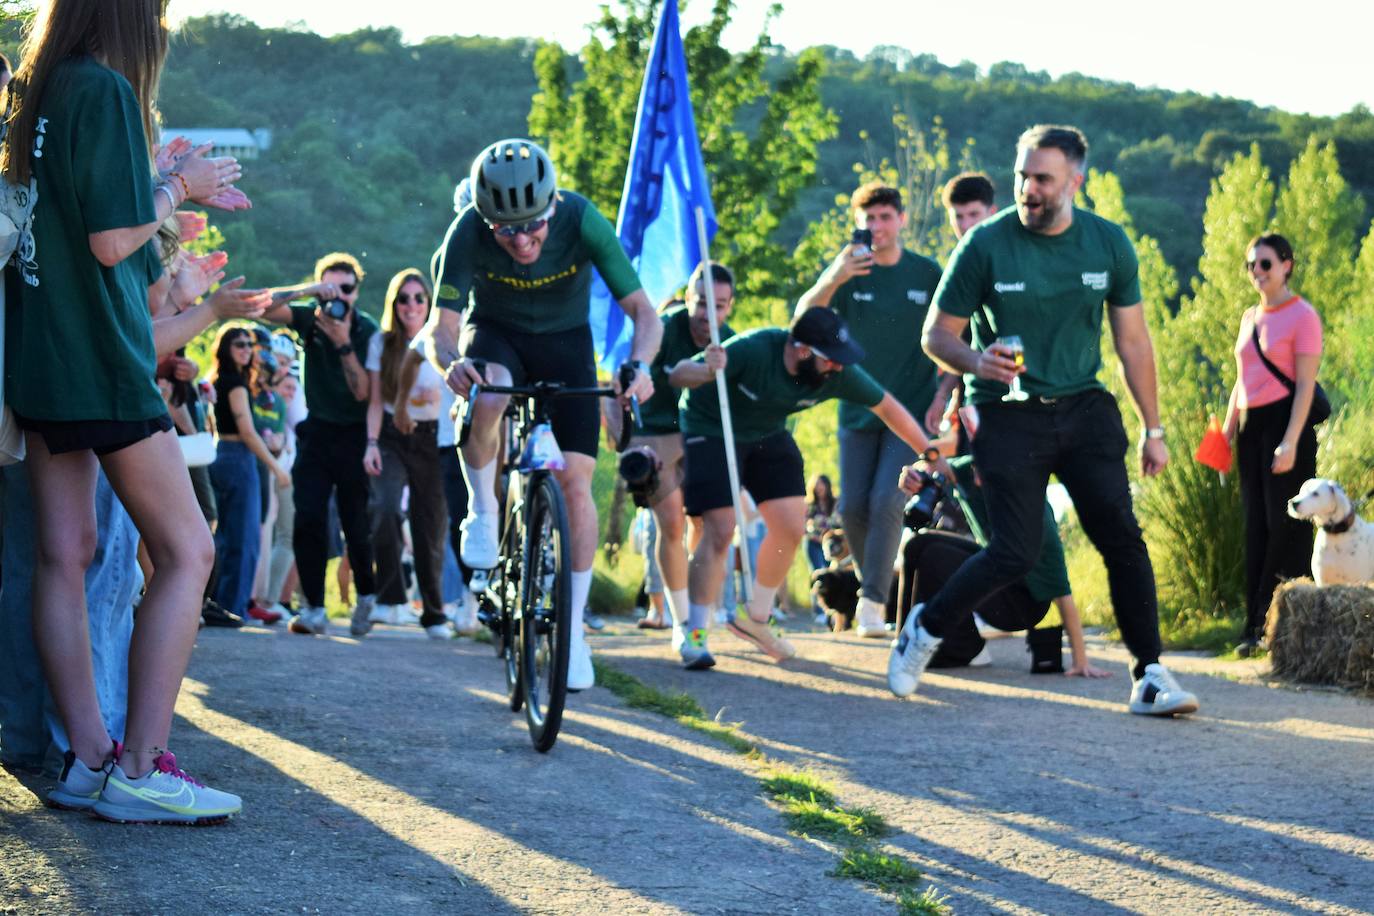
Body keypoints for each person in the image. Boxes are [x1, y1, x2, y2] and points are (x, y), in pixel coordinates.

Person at [1, 0, 247, 822]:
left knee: (61, 557)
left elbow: (69, 220)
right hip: (103, 362)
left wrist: (153, 181)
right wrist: (183, 186)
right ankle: (141, 766)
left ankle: (88, 758)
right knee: (190, 551)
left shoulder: (39, 88)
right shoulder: (104, 89)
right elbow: (111, 241)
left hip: (41, 356)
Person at [889, 124, 1198, 717]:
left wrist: (1153, 430)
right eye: (1022, 176)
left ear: (1074, 181)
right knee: (1014, 552)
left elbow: (1133, 343)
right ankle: (925, 625)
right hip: (1005, 412)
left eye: (1042, 179)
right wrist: (976, 360)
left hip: (1084, 406)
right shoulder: (984, 245)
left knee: (1122, 539)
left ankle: (1150, 674)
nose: (1028, 189)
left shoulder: (1108, 245)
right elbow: (936, 334)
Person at [425, 138, 659, 690]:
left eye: (534, 226)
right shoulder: (467, 230)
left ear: (553, 207)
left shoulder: (581, 218)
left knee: (577, 485)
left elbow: (645, 314)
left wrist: (640, 366)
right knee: (490, 393)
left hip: (566, 342)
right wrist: (453, 363)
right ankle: (482, 510)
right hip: (498, 336)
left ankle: (574, 633)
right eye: (507, 231)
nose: (523, 240)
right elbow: (442, 328)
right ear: (487, 222)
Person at [673, 307, 941, 667]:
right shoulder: (752, 350)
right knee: (720, 530)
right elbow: (678, 375)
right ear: (802, 351)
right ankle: (694, 635)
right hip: (711, 427)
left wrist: (930, 452)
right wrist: (707, 368)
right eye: (831, 361)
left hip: (767, 432)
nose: (839, 368)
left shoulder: (836, 373)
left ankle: (755, 618)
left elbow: (889, 408)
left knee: (791, 527)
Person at [798, 183, 944, 638]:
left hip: (910, 411)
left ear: (901, 219)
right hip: (856, 409)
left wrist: (944, 393)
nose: (876, 228)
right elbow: (803, 320)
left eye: (884, 217)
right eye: (868, 220)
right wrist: (834, 276)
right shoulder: (848, 274)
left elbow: (955, 331)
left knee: (887, 501)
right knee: (854, 507)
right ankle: (877, 585)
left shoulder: (926, 273)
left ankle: (873, 603)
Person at [897, 454, 1110, 677]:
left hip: (1022, 604)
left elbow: (1062, 593)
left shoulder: (1036, 521)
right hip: (992, 572)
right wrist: (913, 475)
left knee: (937, 556)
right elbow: (933, 462)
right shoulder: (973, 469)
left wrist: (1081, 660)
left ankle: (966, 647)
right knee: (918, 544)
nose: (976, 478)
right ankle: (908, 639)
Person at [259, 252, 380, 636]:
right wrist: (307, 290)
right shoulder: (311, 318)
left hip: (355, 435)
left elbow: (364, 394)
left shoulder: (366, 330)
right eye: (330, 288)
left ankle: (367, 595)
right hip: (317, 432)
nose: (337, 297)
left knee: (355, 522)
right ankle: (313, 606)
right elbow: (263, 309)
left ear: (357, 291)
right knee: (308, 515)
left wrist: (343, 343)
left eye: (345, 289)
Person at [621, 262, 735, 665]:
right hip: (655, 431)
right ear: (688, 299)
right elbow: (646, 379)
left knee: (707, 526)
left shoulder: (734, 345)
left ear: (730, 308)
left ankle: (698, 610)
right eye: (702, 303)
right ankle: (682, 622)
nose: (709, 314)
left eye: (719, 306)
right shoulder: (662, 332)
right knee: (670, 521)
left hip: (704, 437)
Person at [1221, 233, 1322, 656]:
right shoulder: (1250, 317)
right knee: (1256, 526)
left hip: (1286, 424)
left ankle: (1280, 629)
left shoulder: (1303, 316)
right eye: (1251, 266)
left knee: (1286, 528)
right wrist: (1225, 433)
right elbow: (1242, 380)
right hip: (1251, 426)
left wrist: (1291, 442)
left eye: (1265, 264)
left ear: (1287, 265)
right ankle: (1253, 627)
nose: (1257, 273)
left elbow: (1304, 386)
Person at [362, 268, 450, 639]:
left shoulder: (442, 341)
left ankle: (433, 612)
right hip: (392, 436)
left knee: (429, 525)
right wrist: (370, 444)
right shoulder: (382, 343)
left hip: (433, 438)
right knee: (383, 508)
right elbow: (375, 400)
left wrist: (439, 397)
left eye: (418, 298)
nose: (411, 305)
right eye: (404, 299)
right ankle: (390, 597)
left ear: (428, 303)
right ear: (394, 304)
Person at [208, 325, 290, 625]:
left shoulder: (218, 380)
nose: (246, 349)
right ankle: (232, 607)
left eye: (248, 344)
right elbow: (248, 432)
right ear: (226, 349)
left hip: (220, 456)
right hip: (238, 459)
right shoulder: (236, 384)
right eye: (239, 344)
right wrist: (277, 467)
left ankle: (219, 604)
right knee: (244, 540)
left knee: (225, 537)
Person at [804, 473, 841, 626]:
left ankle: (831, 609)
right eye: (817, 484)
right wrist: (817, 536)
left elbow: (839, 522)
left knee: (830, 573)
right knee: (817, 572)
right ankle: (818, 610)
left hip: (831, 543)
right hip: (813, 543)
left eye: (822, 484)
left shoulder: (836, 503)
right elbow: (804, 525)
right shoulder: (809, 505)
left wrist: (828, 536)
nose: (819, 488)